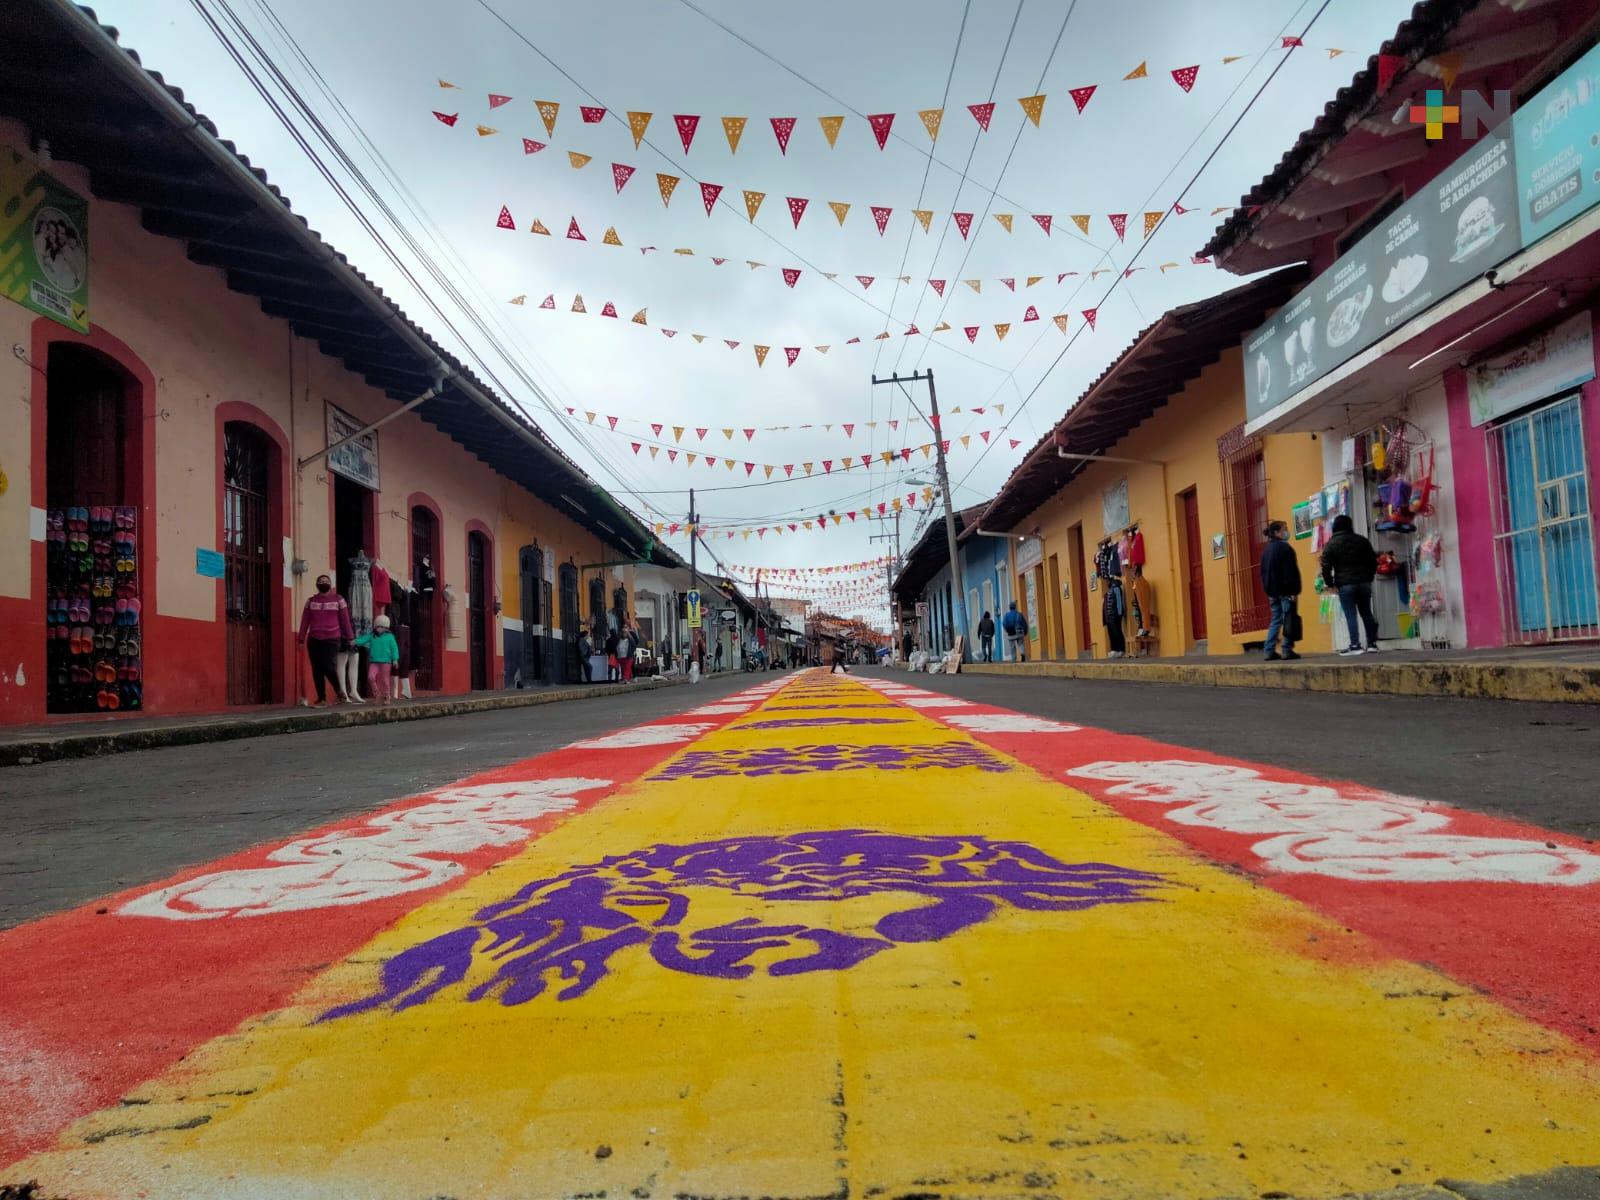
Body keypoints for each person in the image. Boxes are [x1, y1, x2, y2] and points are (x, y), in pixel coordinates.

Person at [1322, 514, 1381, 655]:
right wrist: (1369, 577)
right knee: (1366, 612)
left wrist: (1330, 584)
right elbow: (1373, 561)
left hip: (1345, 584)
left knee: (1351, 615)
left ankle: (1355, 645)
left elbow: (1326, 566)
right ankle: (1372, 644)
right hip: (1364, 582)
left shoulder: (1331, 544)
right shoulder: (1362, 540)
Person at [297, 574, 354, 707]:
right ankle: (321, 698)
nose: (323, 583)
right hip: (314, 639)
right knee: (317, 669)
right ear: (317, 584)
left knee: (329, 666)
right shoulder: (311, 601)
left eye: (326, 581)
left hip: (332, 638)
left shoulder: (339, 600)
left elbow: (345, 620)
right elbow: (305, 620)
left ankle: (340, 692)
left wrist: (350, 637)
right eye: (321, 581)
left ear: (330, 584)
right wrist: (301, 638)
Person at [1259, 520, 1303, 662]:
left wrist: (1268, 589)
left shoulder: (1266, 551)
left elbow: (1262, 573)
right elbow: (1290, 572)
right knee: (1289, 618)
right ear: (1277, 532)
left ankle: (1269, 651)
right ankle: (1286, 649)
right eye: (1285, 529)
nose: (1287, 532)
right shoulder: (1285, 548)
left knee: (1276, 620)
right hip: (1286, 591)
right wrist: (1294, 590)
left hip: (1272, 592)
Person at [362, 615, 401, 705]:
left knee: (385, 680)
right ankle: (377, 694)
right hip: (374, 661)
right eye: (377, 626)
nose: (378, 628)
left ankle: (387, 696)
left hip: (386, 662)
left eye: (381, 626)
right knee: (371, 677)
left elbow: (394, 648)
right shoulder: (372, 635)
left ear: (386, 628)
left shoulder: (390, 637)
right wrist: (355, 641)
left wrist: (395, 659)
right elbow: (363, 639)